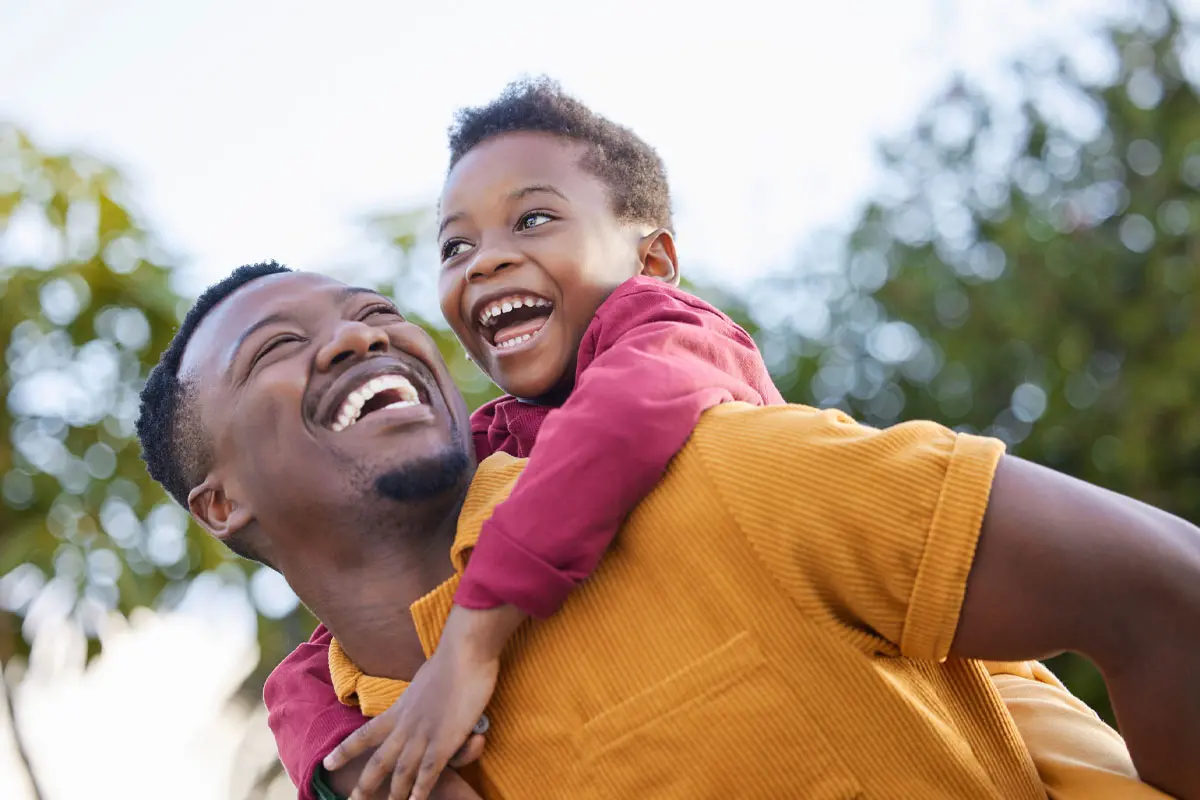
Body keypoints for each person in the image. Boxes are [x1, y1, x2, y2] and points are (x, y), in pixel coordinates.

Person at [135, 265, 1196, 799]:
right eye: (279, 345)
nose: (361, 334)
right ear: (220, 503)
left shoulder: (710, 477)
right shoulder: (350, 752)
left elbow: (1167, 587)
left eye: (374, 308)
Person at [270, 77, 787, 800]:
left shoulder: (679, 339)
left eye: (534, 219)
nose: (486, 260)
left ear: (653, 260)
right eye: (456, 245)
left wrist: (471, 643)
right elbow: (307, 673)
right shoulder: (496, 443)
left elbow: (619, 424)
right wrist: (349, 765)